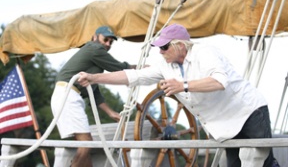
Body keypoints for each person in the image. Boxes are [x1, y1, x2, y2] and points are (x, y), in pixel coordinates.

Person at [77, 23, 280, 167]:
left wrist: (183, 85)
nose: (161, 52)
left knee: (265, 163)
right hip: (224, 125)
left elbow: (219, 81)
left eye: (165, 47)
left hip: (248, 112)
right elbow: (133, 76)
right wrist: (94, 78)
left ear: (180, 45)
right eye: (159, 47)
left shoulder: (205, 52)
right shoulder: (165, 65)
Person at [51, 25, 136, 167]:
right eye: (105, 39)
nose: (107, 44)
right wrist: (139, 69)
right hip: (69, 95)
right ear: (94, 37)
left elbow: (94, 93)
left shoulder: (93, 61)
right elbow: (117, 67)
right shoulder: (95, 49)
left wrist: (111, 113)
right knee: (86, 144)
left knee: (84, 146)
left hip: (66, 95)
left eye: (111, 42)